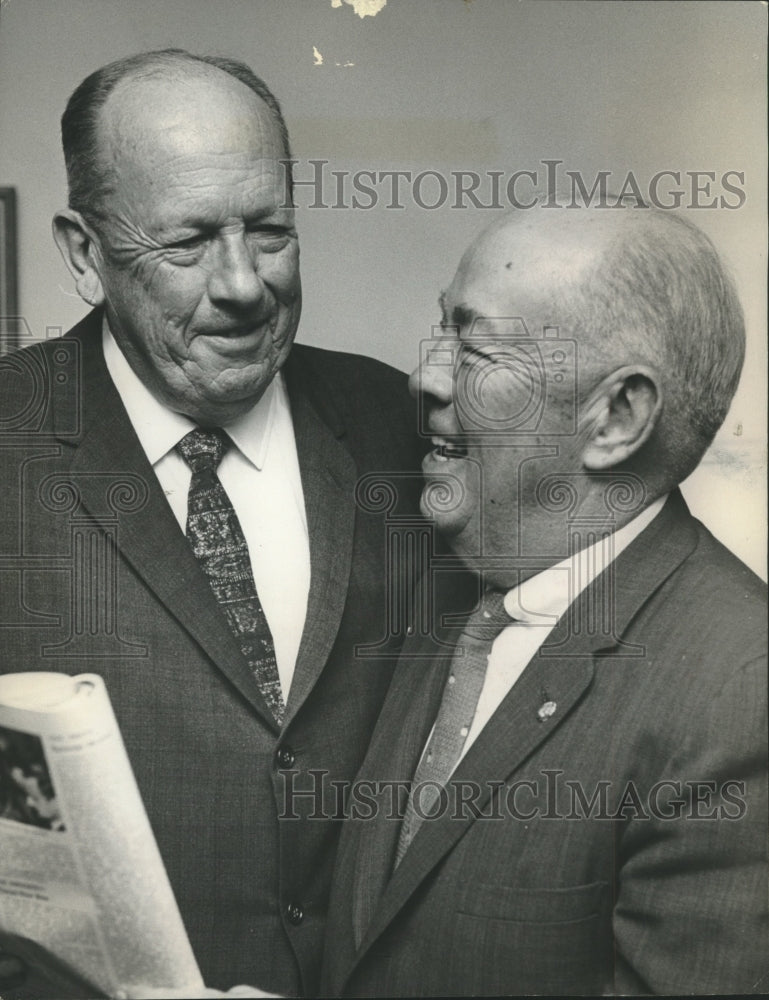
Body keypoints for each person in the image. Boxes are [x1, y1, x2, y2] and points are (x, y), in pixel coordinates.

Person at [0, 49, 424, 998]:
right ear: (82, 254)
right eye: (187, 243)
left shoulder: (401, 425)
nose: (243, 285)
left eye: (268, 231)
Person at [321, 207, 769, 996]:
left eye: (475, 348)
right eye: (439, 329)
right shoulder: (437, 591)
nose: (424, 376)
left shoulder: (738, 693)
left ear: (617, 417)